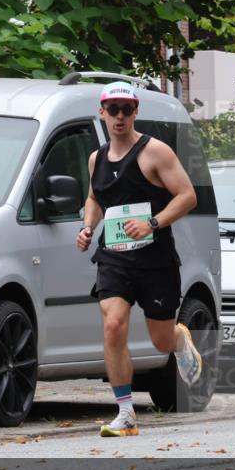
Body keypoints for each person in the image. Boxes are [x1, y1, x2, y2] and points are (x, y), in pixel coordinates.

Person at [77, 81, 204, 437]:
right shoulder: (96, 158)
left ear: (136, 112)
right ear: (101, 113)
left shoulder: (156, 152)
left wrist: (152, 222)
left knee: (159, 340)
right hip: (114, 257)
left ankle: (180, 339)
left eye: (126, 109)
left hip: (155, 260)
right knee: (113, 324)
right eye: (112, 109)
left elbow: (187, 196)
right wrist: (88, 227)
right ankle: (126, 413)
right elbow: (95, 198)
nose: (119, 116)